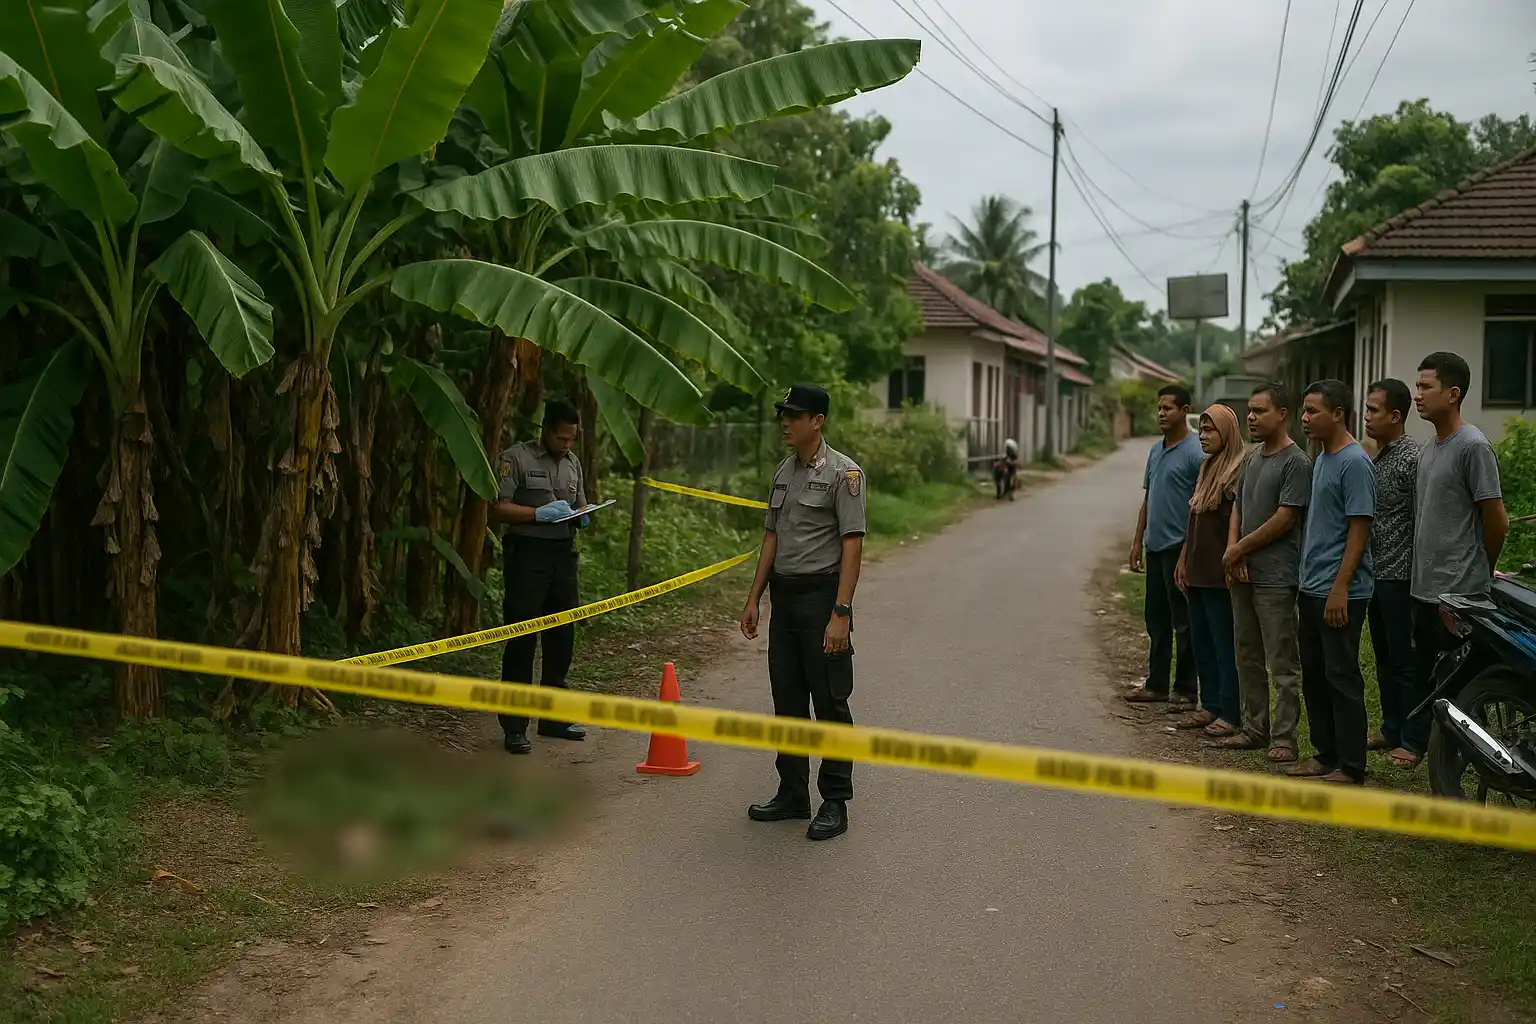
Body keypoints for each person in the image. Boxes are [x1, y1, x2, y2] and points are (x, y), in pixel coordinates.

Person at [739, 384, 867, 842]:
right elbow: (771, 537)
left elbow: (852, 546)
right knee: (788, 699)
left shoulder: (843, 475)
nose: (785, 423)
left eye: (794, 416)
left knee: (830, 701)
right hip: (786, 599)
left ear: (818, 421)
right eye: (783, 416)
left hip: (822, 599)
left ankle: (835, 800)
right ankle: (793, 792)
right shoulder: (783, 472)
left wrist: (841, 612)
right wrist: (754, 597)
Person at [1407, 352, 1508, 757]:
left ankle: (1463, 755)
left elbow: (1495, 519)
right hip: (1425, 587)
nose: (1417, 395)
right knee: (1424, 672)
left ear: (1452, 394)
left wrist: (1484, 568)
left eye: (1425, 386)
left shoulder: (1473, 446)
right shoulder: (1430, 448)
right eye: (1416, 386)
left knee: (1460, 681)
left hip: (1460, 591)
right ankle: (1419, 745)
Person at [491, 400, 591, 755]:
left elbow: (579, 502)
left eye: (571, 439)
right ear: (546, 430)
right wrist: (537, 514)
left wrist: (582, 514)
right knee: (521, 639)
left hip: (562, 558)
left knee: (561, 638)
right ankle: (515, 725)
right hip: (527, 557)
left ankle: (553, 717)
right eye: (561, 438)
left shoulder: (573, 462)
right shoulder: (515, 458)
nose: (566, 445)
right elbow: (497, 507)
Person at [1288, 379, 1375, 785]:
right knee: (1316, 674)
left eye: (1312, 411)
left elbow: (1359, 529)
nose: (1304, 419)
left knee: (1341, 675)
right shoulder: (1322, 456)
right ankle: (1325, 754)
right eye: (1303, 411)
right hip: (1312, 586)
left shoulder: (1354, 462)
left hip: (1340, 591)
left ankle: (1352, 765)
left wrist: (1340, 588)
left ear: (1338, 414)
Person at [1221, 383, 1309, 762]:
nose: (1251, 418)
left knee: (1282, 661)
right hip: (1243, 572)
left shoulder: (1296, 463)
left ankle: (1284, 738)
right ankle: (1254, 727)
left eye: (1259, 411)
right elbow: (1238, 507)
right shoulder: (1252, 459)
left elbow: (1286, 518)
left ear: (1282, 414)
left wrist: (1240, 547)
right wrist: (1232, 550)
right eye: (1250, 411)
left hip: (1276, 576)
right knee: (1247, 653)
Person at [1125, 384, 1203, 709]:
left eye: (1167, 408)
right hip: (1155, 548)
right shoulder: (1156, 450)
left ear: (1184, 411)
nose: (1161, 414)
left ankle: (1185, 690)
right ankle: (1156, 684)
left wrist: (1188, 552)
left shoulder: (1197, 452)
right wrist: (1137, 542)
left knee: (1183, 622)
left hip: (1180, 549)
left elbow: (1201, 506)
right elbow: (1149, 498)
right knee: (1155, 620)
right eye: (1159, 408)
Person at [1174, 405, 1246, 742]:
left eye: (1210, 430)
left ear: (1227, 432)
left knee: (1223, 646)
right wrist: (1183, 559)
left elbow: (1239, 523)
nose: (1203, 437)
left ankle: (1230, 712)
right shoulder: (1207, 468)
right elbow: (1195, 520)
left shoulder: (1237, 470)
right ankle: (1209, 703)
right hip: (1197, 571)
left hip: (1220, 575)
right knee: (1200, 642)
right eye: (1201, 430)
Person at [1362, 379, 1420, 767]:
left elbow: (1423, 519)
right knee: (1383, 658)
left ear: (1395, 416)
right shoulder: (1378, 458)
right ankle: (1391, 727)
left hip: (1402, 578)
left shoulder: (1412, 458)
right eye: (1366, 410)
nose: (1366, 417)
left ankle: (1414, 740)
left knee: (1405, 662)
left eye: (1373, 410)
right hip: (1375, 575)